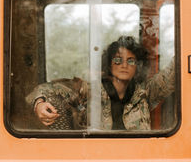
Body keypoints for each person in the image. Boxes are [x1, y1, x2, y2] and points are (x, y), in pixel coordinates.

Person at [26, 35, 174, 130]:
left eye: (131, 61)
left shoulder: (145, 92)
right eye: (117, 60)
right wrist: (39, 103)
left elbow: (172, 74)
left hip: (135, 158)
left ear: (138, 66)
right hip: (97, 158)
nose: (124, 65)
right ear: (109, 64)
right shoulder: (90, 90)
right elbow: (48, 88)